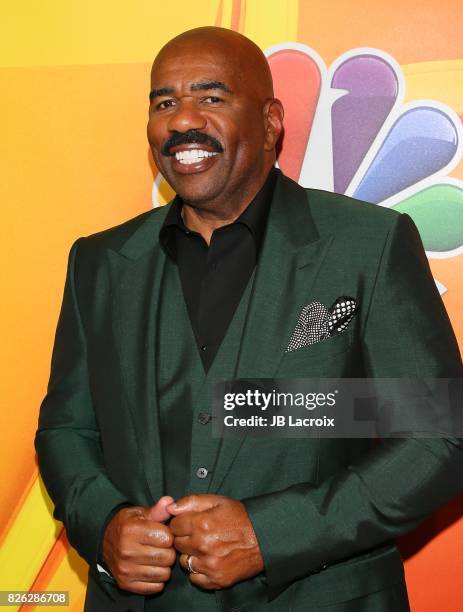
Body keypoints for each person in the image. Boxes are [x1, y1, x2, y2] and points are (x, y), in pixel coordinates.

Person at [35, 26, 463, 612]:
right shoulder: (100, 262)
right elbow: (67, 431)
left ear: (270, 122)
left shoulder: (369, 244)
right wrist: (104, 526)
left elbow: (438, 437)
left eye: (210, 97)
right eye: (164, 101)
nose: (182, 119)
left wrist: (274, 533)